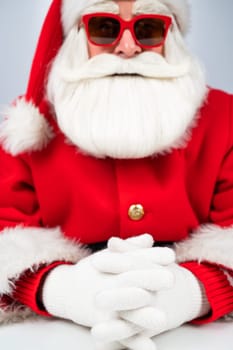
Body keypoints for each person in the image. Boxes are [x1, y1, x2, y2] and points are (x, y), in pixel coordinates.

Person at [0, 0, 233, 349]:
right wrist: (60, 290)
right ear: (79, 35)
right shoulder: (31, 125)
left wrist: (193, 292)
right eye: (105, 29)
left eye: (148, 29)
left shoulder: (225, 118)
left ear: (170, 37)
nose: (127, 47)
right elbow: (7, 228)